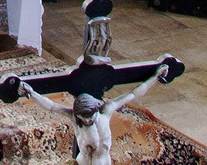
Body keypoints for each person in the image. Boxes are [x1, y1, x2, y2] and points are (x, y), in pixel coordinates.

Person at [18, 62, 172, 165]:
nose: (86, 121)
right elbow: (51, 106)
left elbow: (133, 94)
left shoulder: (107, 110)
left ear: (97, 109)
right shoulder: (75, 117)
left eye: (89, 117)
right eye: (82, 118)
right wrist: (31, 93)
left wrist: (155, 77)